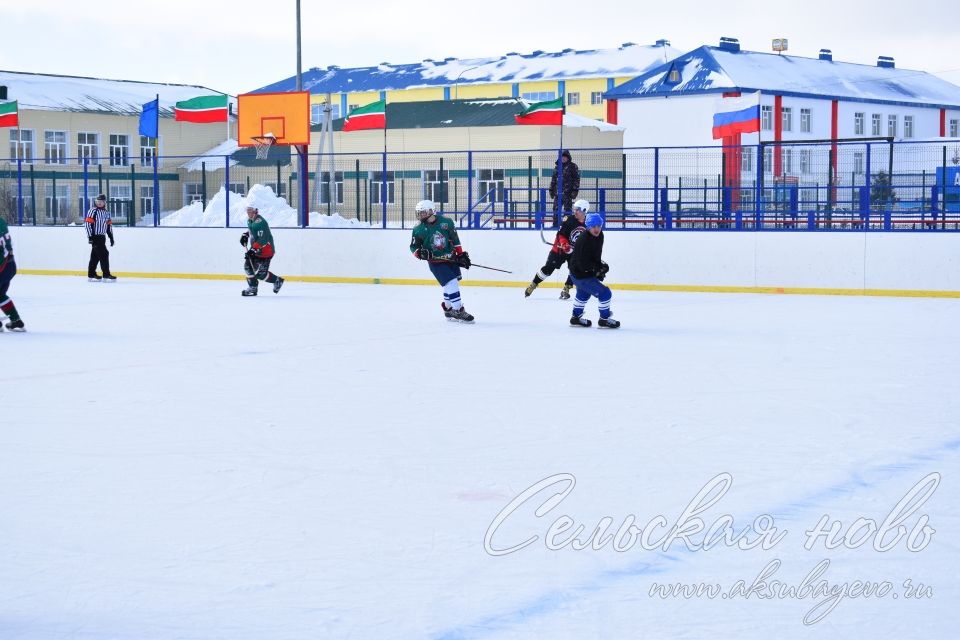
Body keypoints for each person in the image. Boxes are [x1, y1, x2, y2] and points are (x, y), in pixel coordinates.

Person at [409, 199, 474, 323]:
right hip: (435, 262)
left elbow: (455, 240)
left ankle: (448, 309)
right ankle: (458, 310)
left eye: (423, 212)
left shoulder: (447, 222)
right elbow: (413, 246)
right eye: (419, 213)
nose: (420, 215)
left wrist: (461, 255)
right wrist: (419, 253)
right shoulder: (418, 229)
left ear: (431, 211)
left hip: (451, 258)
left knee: (448, 284)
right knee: (451, 282)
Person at [525, 198, 589, 299]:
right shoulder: (569, 220)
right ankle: (534, 284)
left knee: (575, 269)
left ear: (584, 211)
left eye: (578, 209)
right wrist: (565, 245)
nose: (575, 211)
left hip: (574, 252)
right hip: (559, 250)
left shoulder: (589, 224)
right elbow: (560, 235)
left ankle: (566, 288)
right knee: (548, 270)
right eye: (574, 209)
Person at [568, 213, 620, 328]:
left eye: (599, 226)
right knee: (605, 293)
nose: (597, 229)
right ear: (588, 227)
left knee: (583, 294)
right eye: (593, 226)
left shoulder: (600, 235)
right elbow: (582, 264)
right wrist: (596, 270)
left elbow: (595, 255)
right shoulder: (583, 240)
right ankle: (604, 319)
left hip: (582, 273)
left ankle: (575, 318)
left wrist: (600, 265)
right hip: (579, 274)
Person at [240, 205, 284, 297]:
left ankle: (277, 281)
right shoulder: (250, 220)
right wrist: (245, 235)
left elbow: (263, 239)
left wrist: (253, 249)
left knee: (261, 275)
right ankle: (253, 288)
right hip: (256, 250)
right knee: (248, 267)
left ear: (256, 211)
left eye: (250, 210)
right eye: (247, 210)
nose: (248, 212)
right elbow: (252, 229)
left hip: (266, 252)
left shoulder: (261, 222)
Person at [0, 217, 25, 331]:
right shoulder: (1, 221)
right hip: (10, 264)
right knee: (0, 295)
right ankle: (16, 320)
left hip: (2, 266)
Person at [85, 193, 116, 282]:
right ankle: (106, 274)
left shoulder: (106, 213)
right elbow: (87, 224)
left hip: (102, 237)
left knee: (95, 256)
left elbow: (108, 226)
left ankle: (91, 274)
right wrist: (90, 237)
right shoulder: (92, 211)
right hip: (95, 237)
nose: (99, 203)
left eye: (101, 201)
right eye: (98, 201)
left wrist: (111, 237)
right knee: (104, 254)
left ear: (104, 202)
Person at [548, 149, 580, 227]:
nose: (563, 158)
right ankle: (555, 224)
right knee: (556, 209)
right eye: (562, 156)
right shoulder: (557, 167)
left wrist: (575, 191)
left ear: (568, 157)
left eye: (565, 157)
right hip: (557, 193)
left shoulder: (573, 166)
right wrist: (551, 190)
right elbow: (553, 179)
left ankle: (566, 225)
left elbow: (577, 179)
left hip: (567, 193)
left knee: (567, 211)